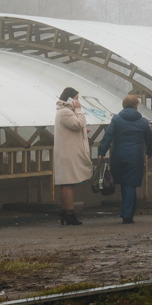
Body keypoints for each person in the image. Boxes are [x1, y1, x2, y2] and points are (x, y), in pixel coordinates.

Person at [98, 94, 152, 224]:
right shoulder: (143, 122)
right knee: (130, 184)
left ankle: (129, 211)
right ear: (136, 106)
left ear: (123, 105)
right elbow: (150, 139)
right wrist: (150, 152)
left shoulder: (117, 119)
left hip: (118, 155)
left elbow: (108, 136)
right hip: (135, 156)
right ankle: (127, 214)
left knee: (126, 184)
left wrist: (102, 151)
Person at [53, 87, 92, 226]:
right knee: (68, 184)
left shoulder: (62, 112)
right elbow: (78, 123)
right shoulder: (66, 112)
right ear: (69, 99)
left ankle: (65, 212)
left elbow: (73, 128)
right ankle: (69, 213)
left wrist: (82, 131)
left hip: (65, 153)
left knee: (65, 183)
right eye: (76, 98)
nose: (77, 101)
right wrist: (79, 109)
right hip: (68, 154)